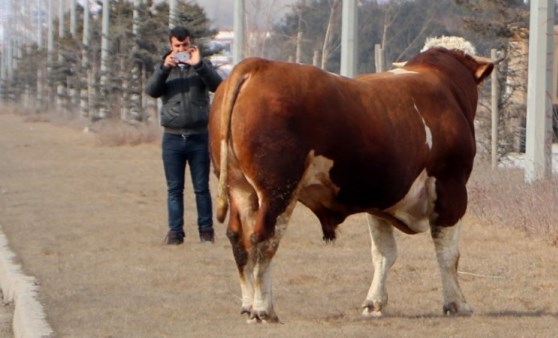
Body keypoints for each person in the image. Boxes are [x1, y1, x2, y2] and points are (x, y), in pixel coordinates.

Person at [145, 26, 223, 245]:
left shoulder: (201, 65)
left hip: (198, 136)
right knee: (174, 189)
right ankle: (175, 233)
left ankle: (206, 232)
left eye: (185, 45)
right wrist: (163, 68)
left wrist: (198, 64)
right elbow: (151, 90)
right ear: (171, 45)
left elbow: (218, 86)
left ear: (191, 44)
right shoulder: (164, 67)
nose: (181, 49)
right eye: (177, 46)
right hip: (172, 138)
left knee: (201, 188)